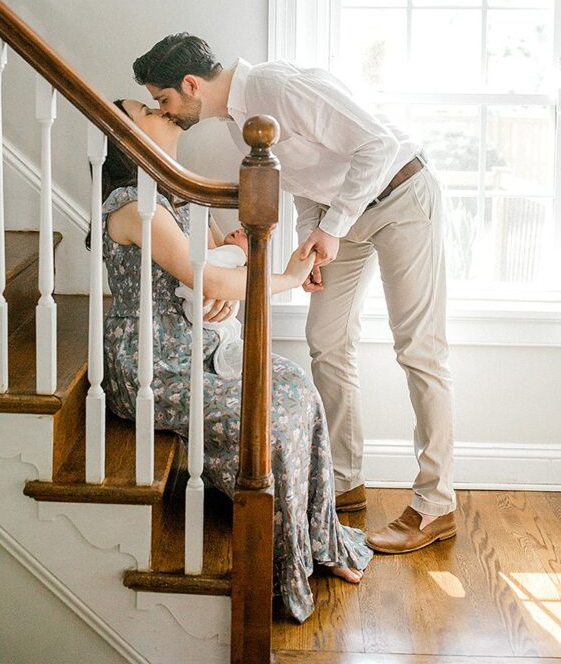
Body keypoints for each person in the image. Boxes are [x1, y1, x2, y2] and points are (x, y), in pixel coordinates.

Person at [133, 36, 457, 555]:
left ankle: (436, 504)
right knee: (325, 339)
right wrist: (314, 239)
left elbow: (376, 144)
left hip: (400, 195)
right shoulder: (244, 123)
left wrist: (332, 227)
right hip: (343, 216)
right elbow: (307, 180)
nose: (166, 111)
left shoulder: (274, 88)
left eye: (165, 99)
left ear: (191, 85)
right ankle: (344, 480)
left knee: (419, 348)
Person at [99, 98, 373, 622]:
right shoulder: (136, 207)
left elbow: (214, 273)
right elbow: (209, 280)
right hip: (157, 365)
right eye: (144, 107)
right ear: (127, 135)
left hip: (202, 346)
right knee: (266, 420)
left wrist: (230, 253)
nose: (159, 105)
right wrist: (285, 279)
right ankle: (277, 562)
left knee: (295, 385)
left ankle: (319, 538)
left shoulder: (181, 195)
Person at [175, 227, 247, 380]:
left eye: (246, 235)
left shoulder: (234, 255)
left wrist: (231, 285)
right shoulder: (228, 254)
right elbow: (211, 271)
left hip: (208, 312)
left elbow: (214, 266)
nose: (240, 230)